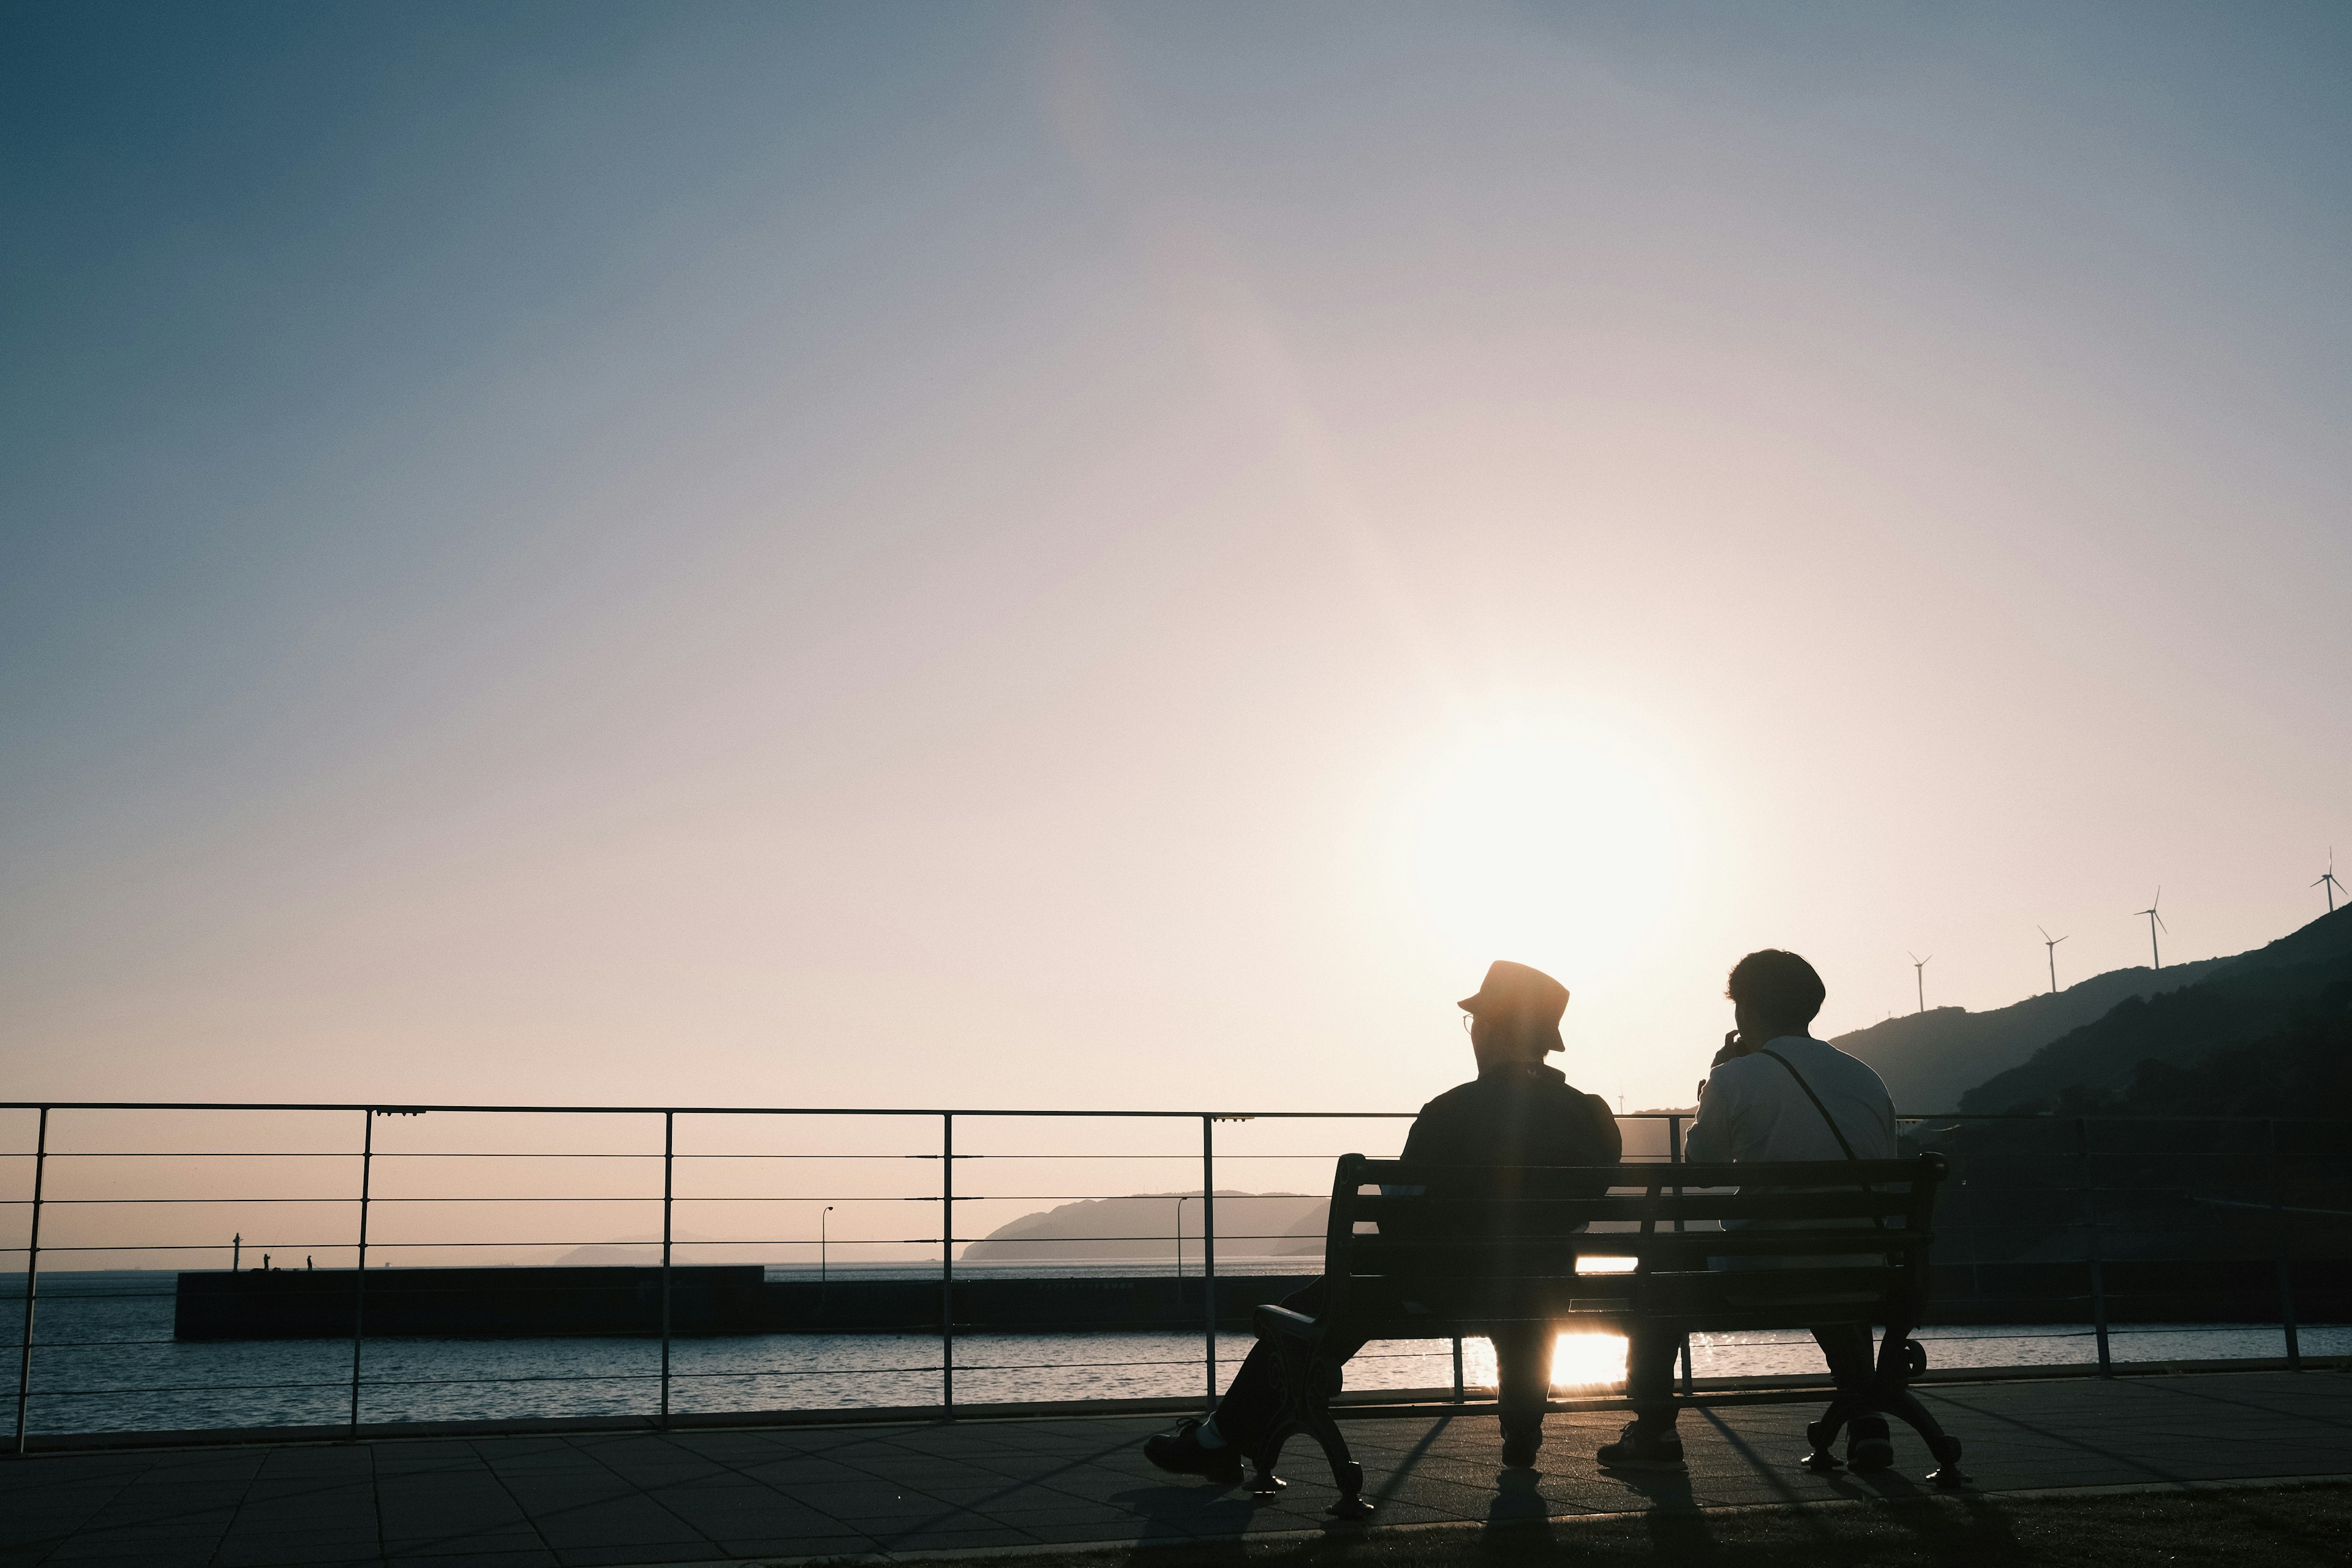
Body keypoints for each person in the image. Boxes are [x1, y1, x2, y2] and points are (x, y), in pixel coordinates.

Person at [1145, 960, 1621, 1480]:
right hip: (1544, 1287)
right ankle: (1522, 1433)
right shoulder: (1590, 1116)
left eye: (1476, 1023)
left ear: (1489, 1029)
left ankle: (1218, 1439)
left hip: (1447, 1287)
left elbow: (1395, 1215)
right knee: (1519, 1298)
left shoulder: (1450, 1113)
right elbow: (1583, 1204)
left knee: (1308, 1312)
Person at [1597, 949, 1899, 1472]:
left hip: (1767, 1272)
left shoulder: (1736, 1077)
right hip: (1867, 1270)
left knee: (1659, 1275)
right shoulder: (1867, 1078)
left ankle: (1654, 1430)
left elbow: (1702, 1169)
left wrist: (1716, 1078)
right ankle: (1866, 1421)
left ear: (1743, 1011)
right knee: (1827, 1262)